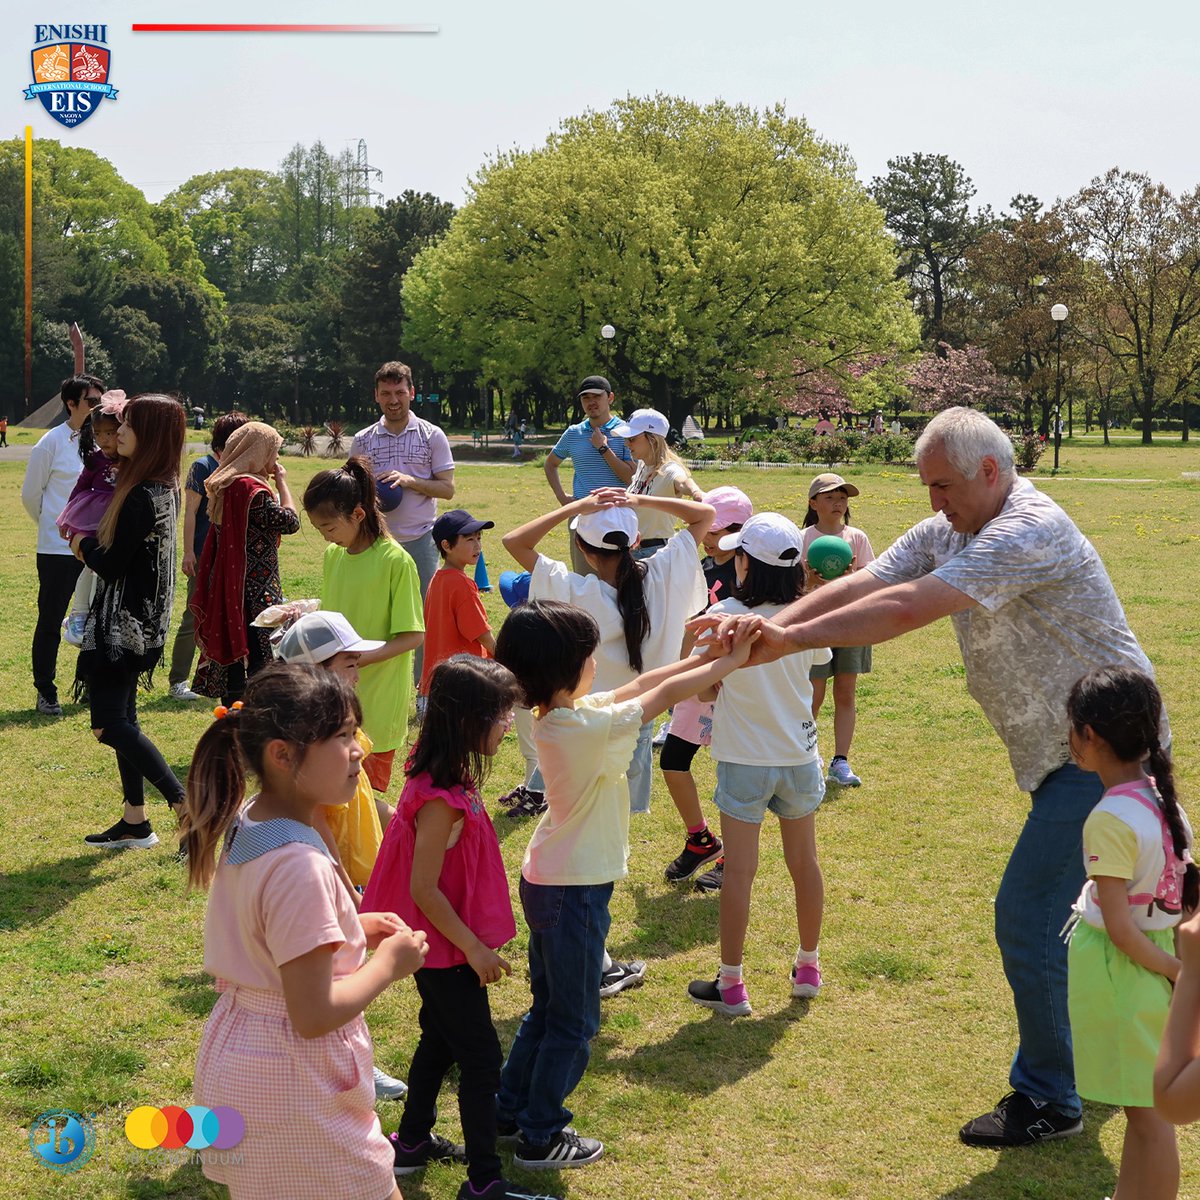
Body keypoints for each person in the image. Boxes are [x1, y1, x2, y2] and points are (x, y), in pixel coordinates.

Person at [695, 406, 1164, 1146]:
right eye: (927, 487)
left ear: (989, 470)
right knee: (1106, 914)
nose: (934, 502)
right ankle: (1102, 1062)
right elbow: (870, 581)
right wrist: (769, 619)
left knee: (1030, 914)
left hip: (1110, 753)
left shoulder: (1024, 529)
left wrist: (783, 636)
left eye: (943, 485)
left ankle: (1051, 1095)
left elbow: (910, 607)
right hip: (1068, 753)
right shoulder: (954, 526)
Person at [492, 599, 756, 1169]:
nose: (597, 664)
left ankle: (508, 1110)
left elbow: (644, 683)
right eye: (590, 655)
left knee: (547, 1009)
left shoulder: (561, 716)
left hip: (553, 878)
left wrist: (702, 654)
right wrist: (725, 663)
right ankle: (541, 1134)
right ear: (568, 667)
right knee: (576, 1019)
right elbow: (656, 699)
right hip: (574, 889)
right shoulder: (582, 726)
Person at [181, 662, 429, 1200]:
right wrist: (389, 964)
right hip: (295, 1082)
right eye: (341, 736)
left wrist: (350, 927)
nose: (359, 749)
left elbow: (270, 935)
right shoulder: (300, 864)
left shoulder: (255, 820)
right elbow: (313, 1014)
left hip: (244, 1058)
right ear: (282, 754)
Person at [363, 658, 553, 1200]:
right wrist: (473, 948)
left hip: (444, 948)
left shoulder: (446, 778)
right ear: (468, 721)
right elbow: (424, 888)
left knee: (439, 1040)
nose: (508, 724)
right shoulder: (440, 802)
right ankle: (484, 1181)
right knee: (481, 1059)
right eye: (500, 715)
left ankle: (413, 1141)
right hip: (445, 951)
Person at [685, 514, 831, 1017]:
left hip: (744, 758)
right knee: (804, 863)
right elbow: (816, 678)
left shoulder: (722, 613)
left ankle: (732, 984)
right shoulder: (805, 614)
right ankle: (808, 967)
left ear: (745, 563)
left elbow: (704, 688)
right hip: (799, 755)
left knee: (740, 874)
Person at [1064, 666, 1193, 1200]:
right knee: (1143, 1113)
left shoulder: (1108, 818)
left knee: (1148, 1116)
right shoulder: (1164, 802)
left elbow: (1119, 929)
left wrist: (1176, 975)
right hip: (1158, 959)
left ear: (1089, 736)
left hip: (1129, 976)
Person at [70, 395, 188, 849]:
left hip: (123, 627)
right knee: (126, 718)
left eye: (128, 426)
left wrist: (81, 544)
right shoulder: (162, 485)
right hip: (145, 622)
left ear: (151, 436)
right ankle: (135, 821)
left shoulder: (142, 494)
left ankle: (185, 806)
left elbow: (112, 564)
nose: (117, 432)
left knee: (107, 724)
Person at [302, 458, 424, 810]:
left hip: (378, 704)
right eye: (319, 529)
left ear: (357, 514)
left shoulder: (395, 561)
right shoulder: (333, 555)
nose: (325, 536)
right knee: (335, 798)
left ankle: (394, 852)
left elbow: (412, 636)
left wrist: (356, 660)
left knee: (364, 803)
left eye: (328, 527)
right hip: (336, 697)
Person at [660, 485, 754, 890]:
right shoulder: (700, 567)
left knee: (732, 774)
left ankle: (734, 857)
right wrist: (679, 672)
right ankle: (700, 839)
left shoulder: (752, 575)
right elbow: (689, 621)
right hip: (698, 678)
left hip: (733, 685)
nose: (708, 537)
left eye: (715, 531)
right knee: (673, 761)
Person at [351, 361, 455, 691]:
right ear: (376, 396)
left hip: (421, 540)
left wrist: (410, 481)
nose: (393, 400)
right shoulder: (363, 440)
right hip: (377, 542)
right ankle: (374, 688)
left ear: (411, 393)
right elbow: (352, 492)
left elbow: (447, 488)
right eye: (386, 393)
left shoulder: (432, 435)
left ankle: (424, 692)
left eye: (399, 392)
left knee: (423, 620)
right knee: (376, 617)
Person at [192, 422, 300, 705]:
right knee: (259, 665)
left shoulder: (226, 483)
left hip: (230, 584)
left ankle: (233, 714)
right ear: (258, 451)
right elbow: (290, 522)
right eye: (273, 452)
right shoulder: (251, 489)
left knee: (236, 663)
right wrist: (282, 483)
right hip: (255, 589)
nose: (276, 460)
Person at [22, 373, 104, 715]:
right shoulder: (50, 443)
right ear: (71, 404)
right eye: (91, 401)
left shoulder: (104, 443)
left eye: (101, 400)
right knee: (51, 618)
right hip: (57, 549)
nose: (98, 407)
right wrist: (56, 527)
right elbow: (30, 495)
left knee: (95, 618)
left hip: (96, 547)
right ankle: (46, 690)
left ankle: (87, 683)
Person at [167, 411, 249, 703]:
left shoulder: (240, 468)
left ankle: (223, 678)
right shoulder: (203, 467)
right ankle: (178, 680)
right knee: (194, 615)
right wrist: (189, 552)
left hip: (234, 556)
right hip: (204, 554)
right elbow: (190, 513)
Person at [800, 473, 876, 789]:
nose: (838, 503)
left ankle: (840, 761)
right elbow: (790, 590)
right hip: (815, 625)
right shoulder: (799, 537)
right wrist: (810, 583)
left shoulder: (856, 538)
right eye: (830, 497)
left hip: (850, 624)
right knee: (812, 694)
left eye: (842, 497)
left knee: (845, 691)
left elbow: (871, 585)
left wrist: (849, 583)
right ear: (813, 502)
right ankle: (807, 755)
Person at [542, 376, 633, 576]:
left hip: (618, 515)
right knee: (584, 578)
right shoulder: (574, 433)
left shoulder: (626, 431)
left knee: (620, 578)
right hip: (583, 516)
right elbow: (550, 464)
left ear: (610, 398)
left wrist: (603, 447)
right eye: (585, 398)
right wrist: (562, 497)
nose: (591, 402)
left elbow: (630, 477)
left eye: (596, 396)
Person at [58, 394, 125, 646]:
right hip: (94, 517)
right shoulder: (96, 459)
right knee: (90, 564)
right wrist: (67, 518)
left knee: (108, 567)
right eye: (98, 434)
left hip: (118, 518)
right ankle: (78, 613)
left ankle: (101, 614)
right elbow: (81, 486)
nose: (104, 440)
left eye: (110, 433)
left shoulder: (132, 459)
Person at [419, 508, 496, 699]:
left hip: (438, 682)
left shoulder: (437, 578)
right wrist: (509, 660)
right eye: (469, 539)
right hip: (463, 682)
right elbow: (482, 635)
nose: (477, 545)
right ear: (446, 545)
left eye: (479, 538)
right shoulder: (462, 584)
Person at [615, 407, 705, 559]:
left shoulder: (670, 469)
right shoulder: (643, 466)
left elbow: (683, 482)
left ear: (653, 439)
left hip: (655, 553)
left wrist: (696, 493)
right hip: (634, 551)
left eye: (632, 439)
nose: (626, 443)